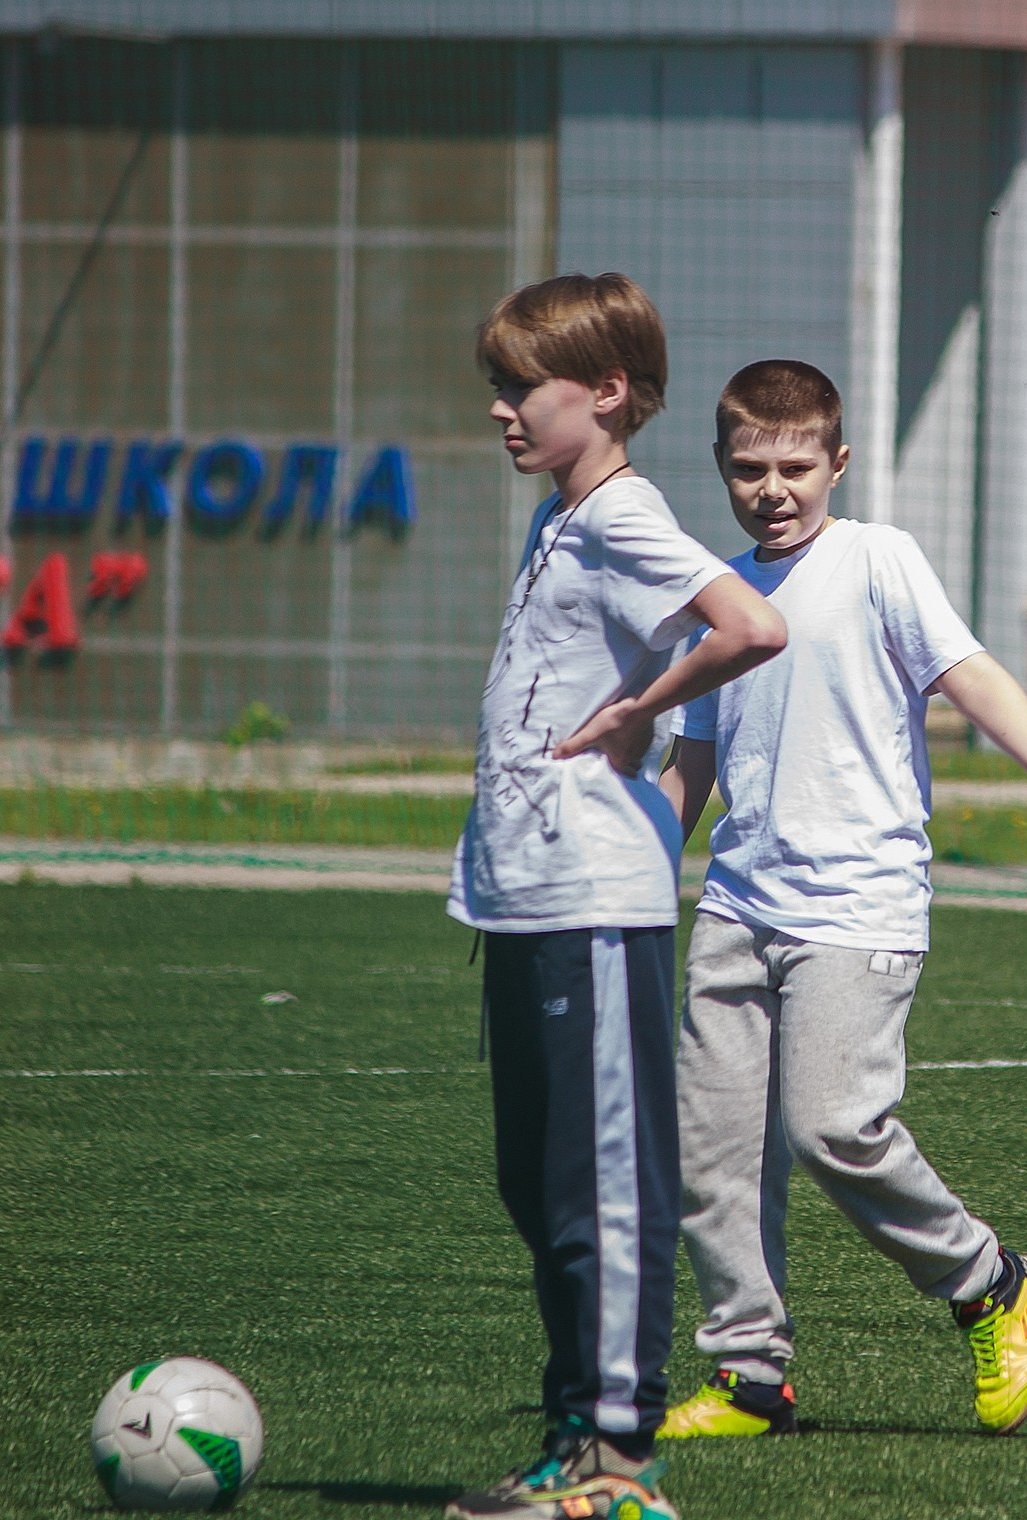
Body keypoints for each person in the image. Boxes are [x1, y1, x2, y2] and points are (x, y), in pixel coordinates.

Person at [655, 360, 1027, 1442]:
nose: (773, 489)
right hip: (735, 907)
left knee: (831, 1127)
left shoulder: (876, 559)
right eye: (750, 469)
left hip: (857, 907)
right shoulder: (718, 599)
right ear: (721, 468)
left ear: (838, 463)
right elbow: (692, 766)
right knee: (712, 1151)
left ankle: (987, 1280)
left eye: (795, 467)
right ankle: (748, 1375)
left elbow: (968, 671)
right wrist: (629, 876)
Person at [445, 276, 787, 1520]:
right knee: (537, 1187)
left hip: (593, 895)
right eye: (496, 385)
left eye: (521, 387)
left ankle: (619, 1463)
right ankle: (569, 1438)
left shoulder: (623, 513)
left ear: (604, 392)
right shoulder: (564, 515)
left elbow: (749, 625)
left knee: (596, 1186)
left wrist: (639, 708)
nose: (501, 409)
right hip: (530, 895)